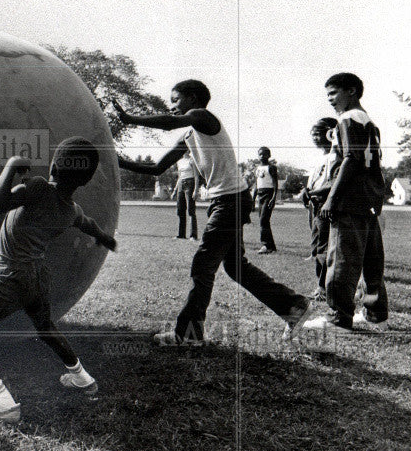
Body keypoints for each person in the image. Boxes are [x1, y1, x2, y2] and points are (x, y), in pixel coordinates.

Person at [111, 82, 310, 345]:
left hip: (230, 201)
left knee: (203, 265)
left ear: (193, 98)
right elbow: (157, 168)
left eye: (175, 99)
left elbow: (170, 122)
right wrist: (116, 159)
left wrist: (129, 118)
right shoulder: (189, 135)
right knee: (236, 267)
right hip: (228, 201)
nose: (172, 105)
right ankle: (293, 305)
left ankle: (187, 335)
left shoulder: (202, 117)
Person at [0, 139, 118, 423]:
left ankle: (3, 405)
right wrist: (105, 238)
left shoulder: (39, 187)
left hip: (12, 276)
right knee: (45, 328)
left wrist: (11, 166)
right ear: (86, 180)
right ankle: (83, 379)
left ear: (53, 166)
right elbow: (87, 223)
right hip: (37, 276)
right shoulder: (70, 210)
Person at [303, 73, 388, 332]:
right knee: (371, 260)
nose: (329, 99)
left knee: (341, 260)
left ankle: (338, 318)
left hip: (351, 199)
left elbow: (351, 159)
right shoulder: (369, 121)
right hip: (369, 198)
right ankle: (376, 315)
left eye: (333, 93)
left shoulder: (348, 118)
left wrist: (331, 197)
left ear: (351, 91)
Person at [300, 118, 338, 300]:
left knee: (324, 247)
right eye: (312, 134)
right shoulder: (320, 158)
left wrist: (313, 192)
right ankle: (322, 285)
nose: (315, 138)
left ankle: (323, 288)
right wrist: (305, 192)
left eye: (318, 133)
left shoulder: (336, 155)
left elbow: (333, 183)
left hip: (325, 203)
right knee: (316, 246)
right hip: (315, 203)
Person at [251, 146, 279, 254]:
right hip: (260, 194)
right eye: (260, 154)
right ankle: (271, 246)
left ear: (269, 155)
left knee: (263, 220)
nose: (262, 156)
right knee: (264, 221)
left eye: (264, 154)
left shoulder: (271, 167)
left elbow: (275, 183)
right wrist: (253, 199)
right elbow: (256, 184)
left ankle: (265, 245)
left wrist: (273, 198)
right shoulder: (257, 168)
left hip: (269, 194)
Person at [171, 149, 200, 240]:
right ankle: (181, 234)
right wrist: (175, 190)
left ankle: (193, 235)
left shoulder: (192, 160)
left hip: (190, 183)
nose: (184, 152)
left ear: (188, 150)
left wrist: (196, 190)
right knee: (180, 210)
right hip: (181, 184)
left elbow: (196, 176)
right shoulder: (179, 162)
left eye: (185, 150)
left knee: (191, 210)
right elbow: (179, 177)